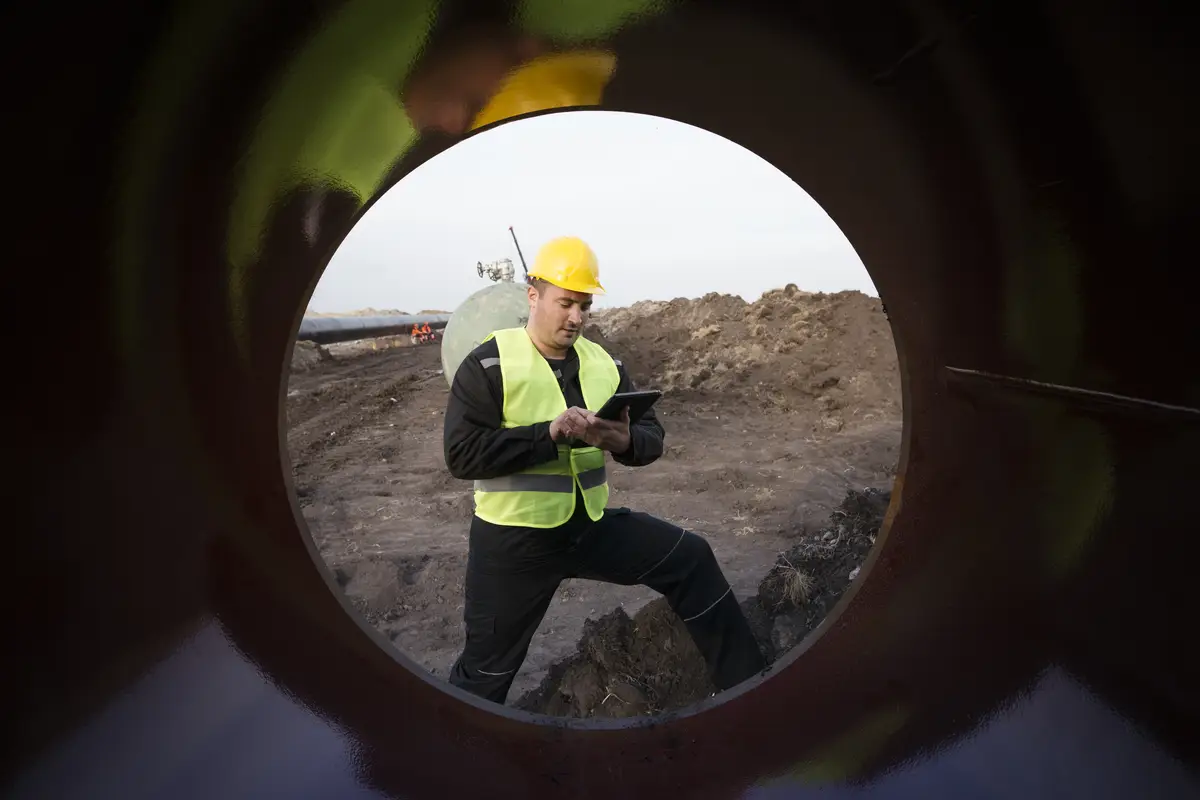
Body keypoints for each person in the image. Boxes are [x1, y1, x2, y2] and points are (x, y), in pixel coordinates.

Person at [443, 235, 766, 705]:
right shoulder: (488, 364)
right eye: (566, 303)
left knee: (691, 558)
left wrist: (626, 441)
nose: (576, 317)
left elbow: (651, 437)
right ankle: (451, 759)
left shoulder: (606, 363)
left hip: (589, 527)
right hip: (513, 542)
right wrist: (546, 435)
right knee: (485, 673)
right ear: (532, 296)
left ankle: (750, 691)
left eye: (585, 306)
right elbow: (462, 455)